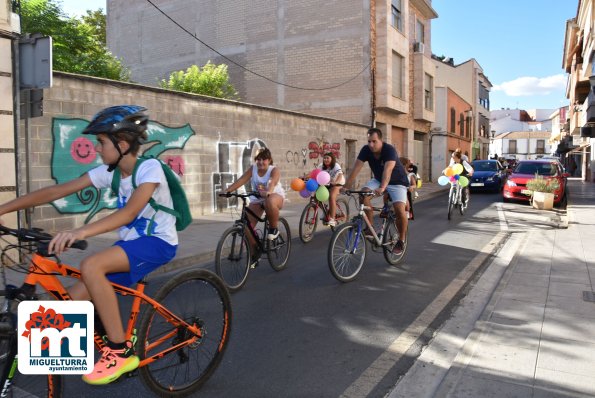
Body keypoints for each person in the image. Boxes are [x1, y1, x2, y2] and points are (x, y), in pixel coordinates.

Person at [0, 105, 179, 385]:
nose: (97, 149)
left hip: (157, 243)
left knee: (92, 265)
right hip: (130, 247)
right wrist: (2, 209)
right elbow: (56, 191)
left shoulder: (150, 168)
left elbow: (129, 213)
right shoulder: (111, 172)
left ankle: (119, 350)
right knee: (69, 302)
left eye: (101, 143)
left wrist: (79, 232)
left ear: (121, 145)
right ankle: (98, 342)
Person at [343, 128, 409, 254]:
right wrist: (346, 185)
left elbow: (388, 170)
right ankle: (370, 228)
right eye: (369, 141)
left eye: (374, 141)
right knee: (363, 194)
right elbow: (356, 168)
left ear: (381, 140)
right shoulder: (366, 150)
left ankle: (401, 239)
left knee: (400, 209)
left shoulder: (389, 150)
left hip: (397, 181)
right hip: (379, 180)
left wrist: (383, 188)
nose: (371, 144)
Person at [225, 148, 285, 265]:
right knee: (245, 226)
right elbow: (242, 179)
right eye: (258, 159)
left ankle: (273, 229)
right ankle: (255, 252)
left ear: (269, 160)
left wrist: (269, 190)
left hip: (274, 196)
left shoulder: (274, 170)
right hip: (257, 199)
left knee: (270, 201)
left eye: (264, 159)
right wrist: (228, 190)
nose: (261, 162)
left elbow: (273, 181)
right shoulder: (253, 169)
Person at [318, 152, 345, 227]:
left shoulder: (336, 165)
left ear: (332, 159)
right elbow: (314, 173)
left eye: (327, 158)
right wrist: (304, 177)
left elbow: (340, 174)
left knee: (331, 196)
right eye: (324, 158)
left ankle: (332, 219)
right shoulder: (321, 166)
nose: (325, 159)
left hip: (338, 183)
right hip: (327, 184)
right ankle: (326, 212)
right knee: (316, 197)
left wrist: (336, 182)